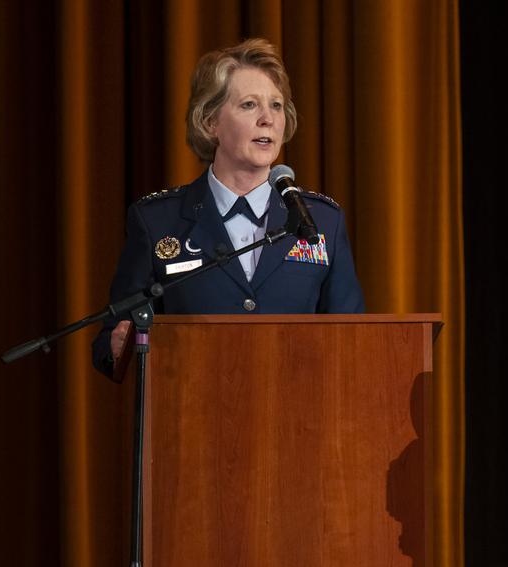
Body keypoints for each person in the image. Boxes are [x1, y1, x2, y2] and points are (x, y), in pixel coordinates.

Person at [91, 38, 365, 376]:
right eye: (249, 105)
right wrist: (118, 348)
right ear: (210, 122)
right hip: (192, 418)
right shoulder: (157, 221)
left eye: (277, 106)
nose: (268, 119)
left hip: (300, 420)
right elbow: (112, 339)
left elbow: (354, 341)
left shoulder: (321, 220)